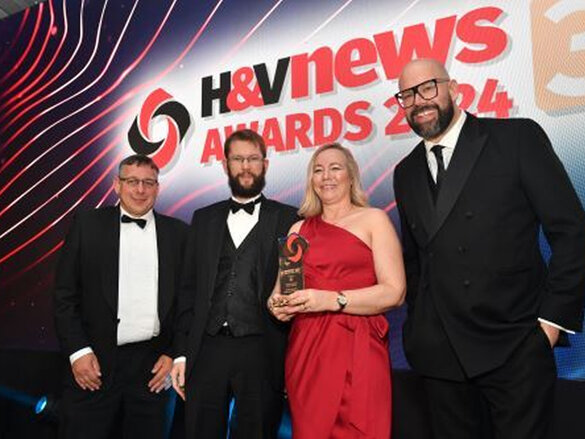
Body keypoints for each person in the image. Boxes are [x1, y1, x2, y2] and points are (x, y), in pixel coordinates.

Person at [392, 58, 585, 439]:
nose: (418, 101)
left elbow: (571, 231)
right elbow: (415, 263)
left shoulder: (515, 139)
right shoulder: (405, 171)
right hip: (440, 359)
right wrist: (419, 330)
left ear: (454, 89)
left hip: (515, 346)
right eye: (407, 95)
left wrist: (549, 326)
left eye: (428, 87)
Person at [269, 143, 406, 439]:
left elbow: (395, 292)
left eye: (335, 168)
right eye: (318, 170)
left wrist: (332, 299)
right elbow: (283, 291)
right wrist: (277, 305)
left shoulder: (374, 220)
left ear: (351, 175)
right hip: (307, 353)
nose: (326, 176)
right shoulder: (297, 230)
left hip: (359, 348)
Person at [170, 129, 298, 438]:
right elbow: (187, 292)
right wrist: (181, 353)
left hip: (262, 350)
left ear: (265, 164)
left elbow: (293, 289)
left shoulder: (290, 219)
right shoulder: (203, 219)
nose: (246, 166)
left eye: (253, 159)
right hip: (207, 348)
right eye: (238, 159)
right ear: (225, 165)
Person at [54, 154, 188, 439]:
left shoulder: (179, 233)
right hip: (94, 363)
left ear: (157, 188)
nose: (140, 190)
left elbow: (187, 302)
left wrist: (174, 353)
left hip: (154, 369)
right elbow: (64, 295)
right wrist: (78, 352)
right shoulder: (87, 224)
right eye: (132, 181)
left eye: (148, 183)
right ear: (117, 185)